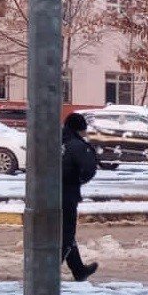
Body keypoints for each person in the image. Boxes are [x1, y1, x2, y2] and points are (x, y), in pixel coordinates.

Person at [61, 112, 99, 281]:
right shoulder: (77, 145)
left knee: (63, 232)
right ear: (79, 128)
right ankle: (49, 271)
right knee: (66, 234)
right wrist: (78, 180)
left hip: (49, 194)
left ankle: (78, 270)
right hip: (68, 194)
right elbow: (89, 168)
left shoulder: (56, 140)